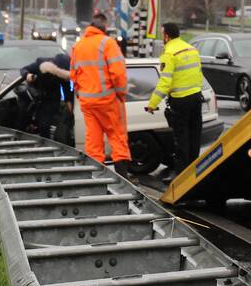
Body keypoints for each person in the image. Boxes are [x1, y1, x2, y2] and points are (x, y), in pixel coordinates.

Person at [70, 13, 131, 177]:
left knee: (93, 141)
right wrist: (121, 94)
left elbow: (74, 74)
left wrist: (79, 94)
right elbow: (118, 74)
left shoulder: (79, 46)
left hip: (87, 103)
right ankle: (122, 179)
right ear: (104, 26)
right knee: (117, 138)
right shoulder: (108, 43)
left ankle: (96, 180)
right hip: (108, 101)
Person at [145, 22, 203, 179]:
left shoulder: (169, 53)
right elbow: (198, 74)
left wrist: (152, 104)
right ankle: (194, 172)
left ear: (166, 35)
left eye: (162, 33)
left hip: (180, 101)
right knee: (194, 135)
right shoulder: (191, 49)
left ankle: (181, 176)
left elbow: (165, 83)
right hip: (196, 97)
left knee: (181, 138)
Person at [19, 53, 71, 141]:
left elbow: (66, 86)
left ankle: (46, 142)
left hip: (53, 100)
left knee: (46, 124)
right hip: (39, 98)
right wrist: (27, 75)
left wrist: (68, 102)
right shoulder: (40, 64)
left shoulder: (63, 72)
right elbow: (24, 69)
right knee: (42, 124)